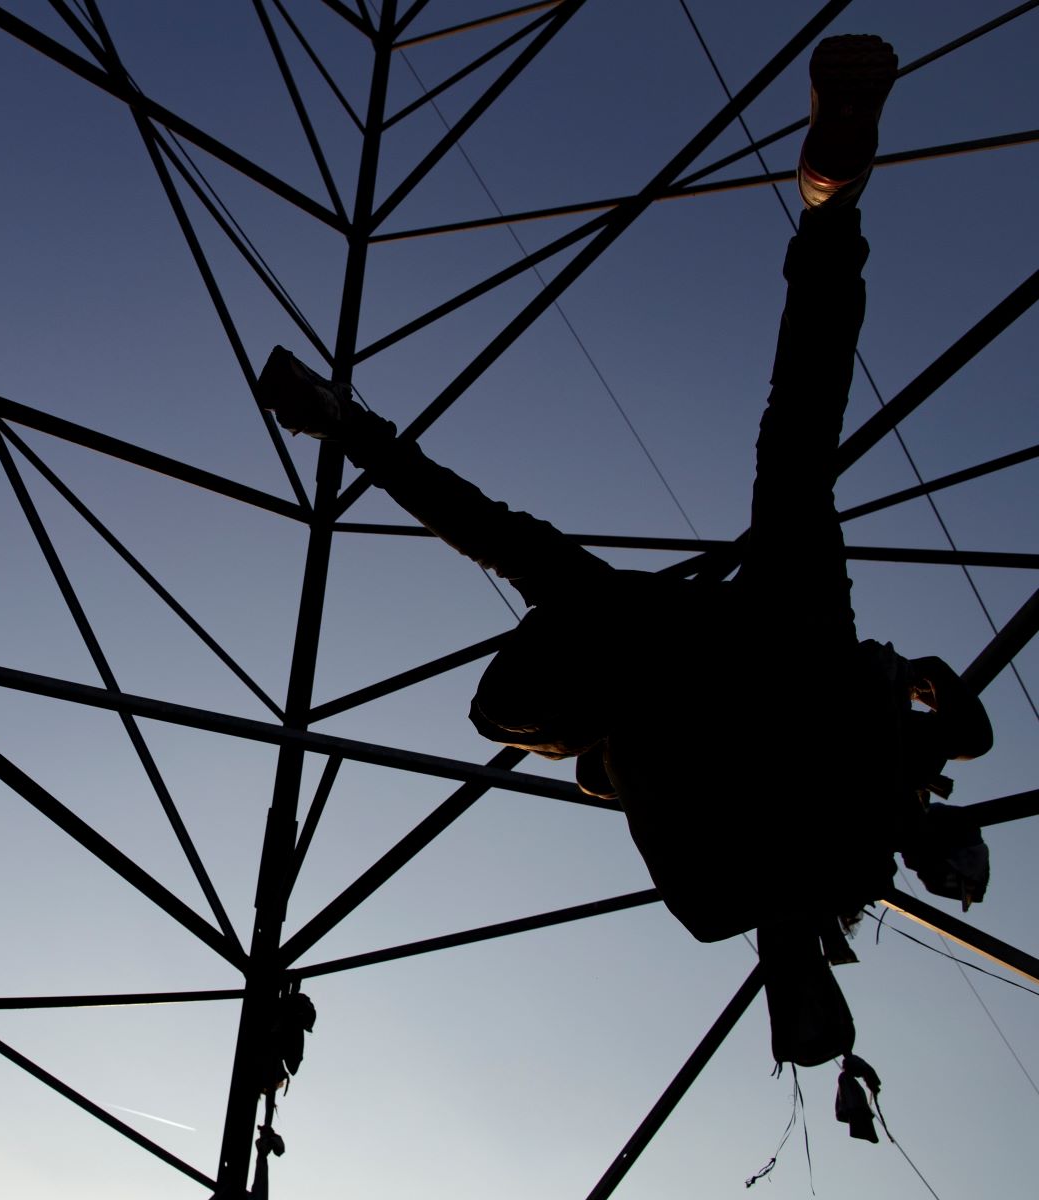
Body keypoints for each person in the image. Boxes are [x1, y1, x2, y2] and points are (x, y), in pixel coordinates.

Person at [257, 35, 993, 1070]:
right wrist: (929, 701)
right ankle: (831, 202)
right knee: (728, 472)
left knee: (792, 441)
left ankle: (832, 203)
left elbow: (963, 736)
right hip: (721, 655)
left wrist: (926, 693)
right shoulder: (742, 886)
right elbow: (957, 738)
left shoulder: (820, 864)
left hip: (749, 648)